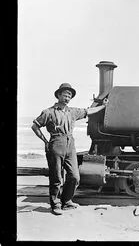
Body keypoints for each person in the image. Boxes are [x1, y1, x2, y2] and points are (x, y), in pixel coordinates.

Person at [31, 83, 108, 215]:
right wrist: (45, 141)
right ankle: (55, 204)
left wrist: (104, 106)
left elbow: (88, 111)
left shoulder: (72, 111)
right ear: (59, 95)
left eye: (70, 95)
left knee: (74, 176)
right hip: (56, 143)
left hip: (70, 144)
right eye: (65, 94)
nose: (67, 97)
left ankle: (66, 201)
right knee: (56, 177)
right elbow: (35, 126)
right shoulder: (48, 112)